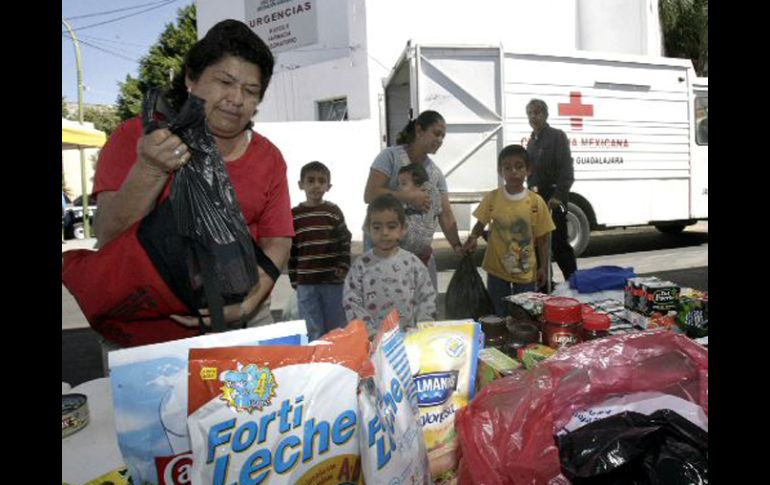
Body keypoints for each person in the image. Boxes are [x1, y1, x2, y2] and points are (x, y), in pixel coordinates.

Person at [90, 20, 294, 348]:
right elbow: (107, 234)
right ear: (191, 79)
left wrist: (247, 304)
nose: (236, 98)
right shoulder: (135, 138)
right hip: (146, 336)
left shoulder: (268, 158)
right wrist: (150, 168)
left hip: (244, 325)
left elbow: (278, 241)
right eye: (225, 81)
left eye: (251, 90)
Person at [363, 110, 465, 293]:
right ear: (419, 130)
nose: (440, 140)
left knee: (422, 314)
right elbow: (370, 194)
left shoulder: (435, 174)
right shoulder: (390, 157)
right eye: (436, 133)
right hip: (383, 257)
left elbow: (446, 214)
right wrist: (408, 197)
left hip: (419, 260)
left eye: (443, 136)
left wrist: (457, 245)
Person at [462, 145, 555, 316]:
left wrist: (543, 267)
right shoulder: (493, 198)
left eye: (519, 166)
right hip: (497, 270)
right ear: (500, 171)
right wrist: (474, 236)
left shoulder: (536, 202)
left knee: (524, 316)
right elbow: (481, 222)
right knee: (498, 315)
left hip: (526, 273)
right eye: (507, 167)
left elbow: (543, 238)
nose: (513, 172)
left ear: (528, 170)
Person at [343, 194, 437, 336]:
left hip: (410, 339)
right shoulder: (360, 267)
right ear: (368, 229)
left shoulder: (412, 264)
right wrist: (369, 333)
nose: (384, 233)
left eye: (391, 226)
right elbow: (352, 302)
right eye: (377, 227)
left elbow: (427, 297)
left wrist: (422, 328)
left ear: (403, 229)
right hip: (373, 343)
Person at [288, 161, 352, 341]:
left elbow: (344, 240)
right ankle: (317, 361)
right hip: (306, 283)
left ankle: (339, 360)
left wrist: (344, 266)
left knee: (337, 327)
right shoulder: (293, 215)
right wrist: (295, 279)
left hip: (332, 281)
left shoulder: (332, 211)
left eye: (321, 181)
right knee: (311, 327)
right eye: (311, 180)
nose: (316, 185)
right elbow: (291, 250)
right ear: (301, 185)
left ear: (328, 186)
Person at [525, 98, 578, 289]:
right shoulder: (531, 141)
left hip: (555, 198)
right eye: (530, 113)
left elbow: (567, 170)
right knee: (539, 244)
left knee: (558, 244)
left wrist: (558, 196)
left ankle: (574, 283)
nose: (533, 116)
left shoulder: (557, 136)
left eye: (537, 112)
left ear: (546, 115)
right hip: (536, 200)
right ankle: (545, 284)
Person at [397, 163, 441, 266]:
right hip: (420, 252)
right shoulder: (431, 196)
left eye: (403, 184)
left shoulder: (426, 196)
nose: (399, 188)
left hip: (410, 253)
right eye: (399, 184)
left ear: (419, 184)